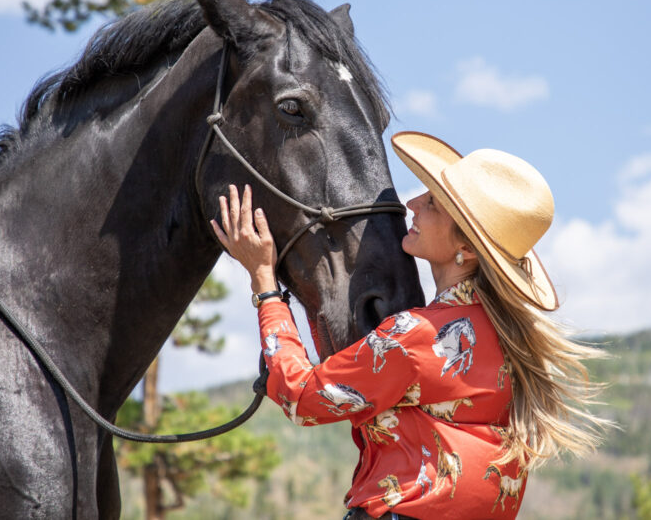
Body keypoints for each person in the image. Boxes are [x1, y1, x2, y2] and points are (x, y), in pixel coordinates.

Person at [211, 131, 608, 519]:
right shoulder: (510, 341)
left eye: (433, 203)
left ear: (466, 249)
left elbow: (301, 399)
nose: (413, 203)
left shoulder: (419, 336)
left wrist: (264, 280)